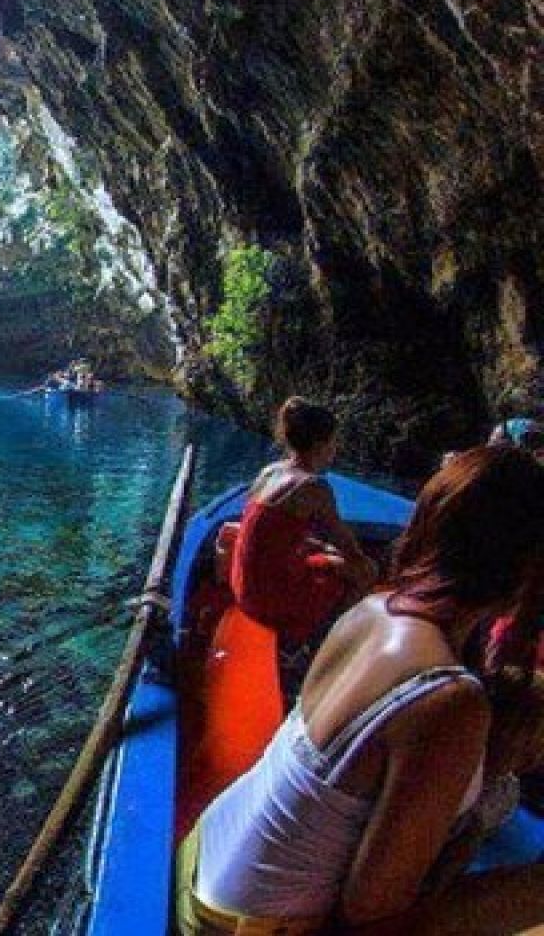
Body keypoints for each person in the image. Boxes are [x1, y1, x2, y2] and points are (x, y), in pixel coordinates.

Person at [180, 447, 544, 935]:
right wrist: (490, 784)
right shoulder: (450, 701)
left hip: (202, 859)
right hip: (240, 926)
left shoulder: (372, 611)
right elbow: (373, 915)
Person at [235, 398, 381, 700]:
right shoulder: (312, 487)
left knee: (329, 558)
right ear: (321, 443)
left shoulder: (270, 472)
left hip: (243, 587)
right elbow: (348, 546)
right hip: (269, 596)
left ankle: (307, 639)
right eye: (333, 441)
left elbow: (267, 533)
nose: (335, 449)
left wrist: (317, 547)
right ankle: (317, 644)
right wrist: (355, 560)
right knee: (364, 572)